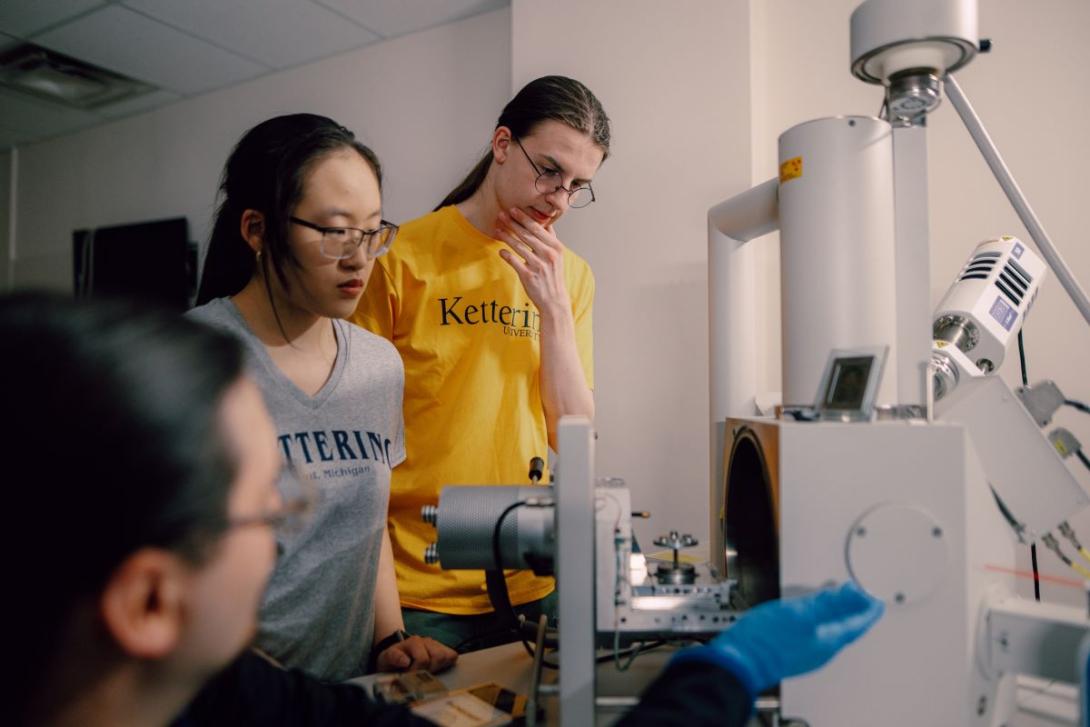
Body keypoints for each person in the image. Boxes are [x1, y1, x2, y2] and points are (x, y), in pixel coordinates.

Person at [3, 293, 883, 727]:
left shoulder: (223, 691)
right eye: (268, 500)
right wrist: (726, 670)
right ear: (151, 600)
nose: (294, 521)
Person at [189, 113, 455, 680]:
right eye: (334, 230)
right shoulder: (195, 356)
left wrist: (391, 638)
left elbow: (368, 526)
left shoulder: (379, 364)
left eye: (372, 230)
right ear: (257, 230)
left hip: (352, 689)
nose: (359, 257)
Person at [352, 75, 608, 648]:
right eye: (548, 170)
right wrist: (389, 630)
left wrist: (555, 311)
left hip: (533, 577)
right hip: (421, 592)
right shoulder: (399, 258)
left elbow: (575, 435)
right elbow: (357, 458)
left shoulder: (572, 276)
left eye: (577, 185)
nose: (560, 199)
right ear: (500, 145)